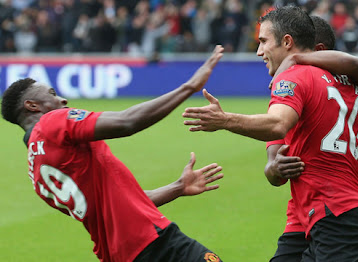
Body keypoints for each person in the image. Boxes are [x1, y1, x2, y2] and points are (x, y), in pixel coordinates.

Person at [183, 7, 358, 261]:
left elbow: (276, 126)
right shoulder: (354, 87)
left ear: (289, 42)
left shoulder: (294, 78)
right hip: (323, 216)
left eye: (263, 42)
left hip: (335, 214)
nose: (259, 51)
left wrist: (224, 119)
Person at [1, 46, 225, 262]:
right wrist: (189, 86)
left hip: (120, 254)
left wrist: (177, 187)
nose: (62, 100)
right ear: (31, 105)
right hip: (152, 242)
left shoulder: (36, 172)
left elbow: (117, 207)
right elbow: (127, 122)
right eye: (52, 94)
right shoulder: (51, 122)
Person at [265, 15, 358, 262]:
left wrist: (296, 59)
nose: (260, 52)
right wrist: (275, 167)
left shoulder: (303, 79)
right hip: (309, 210)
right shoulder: (353, 88)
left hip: (332, 208)